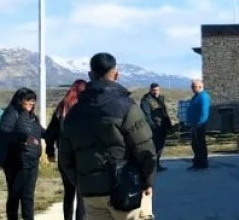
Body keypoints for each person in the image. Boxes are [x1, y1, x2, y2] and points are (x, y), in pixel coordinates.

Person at [59, 52, 157, 220]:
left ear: (90, 75)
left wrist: (82, 183)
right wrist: (147, 181)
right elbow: (145, 149)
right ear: (116, 74)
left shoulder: (74, 113)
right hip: (126, 188)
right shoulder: (126, 107)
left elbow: (65, 157)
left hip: (91, 194)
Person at [45, 79, 88, 220]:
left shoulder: (62, 106)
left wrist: (50, 151)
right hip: (82, 155)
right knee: (82, 194)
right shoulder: (85, 107)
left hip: (64, 155)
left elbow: (51, 132)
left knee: (69, 192)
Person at [0, 88, 45, 220]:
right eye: (28, 100)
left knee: (28, 196)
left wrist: (58, 132)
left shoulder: (31, 117)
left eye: (33, 100)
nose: (32, 103)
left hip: (32, 161)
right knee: (15, 195)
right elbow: (4, 134)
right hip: (16, 162)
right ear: (20, 101)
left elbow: (42, 132)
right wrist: (23, 137)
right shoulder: (12, 114)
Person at [140, 83, 172, 172]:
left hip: (162, 126)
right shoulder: (146, 100)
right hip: (154, 128)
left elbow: (165, 113)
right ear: (150, 90)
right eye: (154, 90)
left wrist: (168, 124)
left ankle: (157, 164)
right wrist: (152, 126)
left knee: (160, 147)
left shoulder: (160, 99)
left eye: (157, 90)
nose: (156, 92)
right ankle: (153, 166)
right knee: (155, 147)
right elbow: (146, 115)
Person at [186, 79, 211, 170]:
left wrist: (200, 123)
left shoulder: (203, 97)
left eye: (194, 86)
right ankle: (196, 162)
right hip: (194, 124)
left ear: (200, 86)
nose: (192, 88)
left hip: (199, 125)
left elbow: (204, 112)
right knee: (195, 145)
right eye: (192, 86)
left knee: (200, 144)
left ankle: (202, 163)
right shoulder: (196, 96)